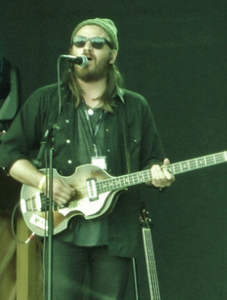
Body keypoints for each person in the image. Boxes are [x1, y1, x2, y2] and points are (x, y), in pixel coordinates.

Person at [0, 18, 175, 300]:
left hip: (115, 233)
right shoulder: (48, 100)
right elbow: (8, 152)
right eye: (80, 42)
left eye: (97, 43)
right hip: (61, 230)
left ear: (112, 55)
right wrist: (43, 182)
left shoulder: (135, 106)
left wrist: (159, 177)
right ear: (71, 51)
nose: (87, 48)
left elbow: (153, 162)